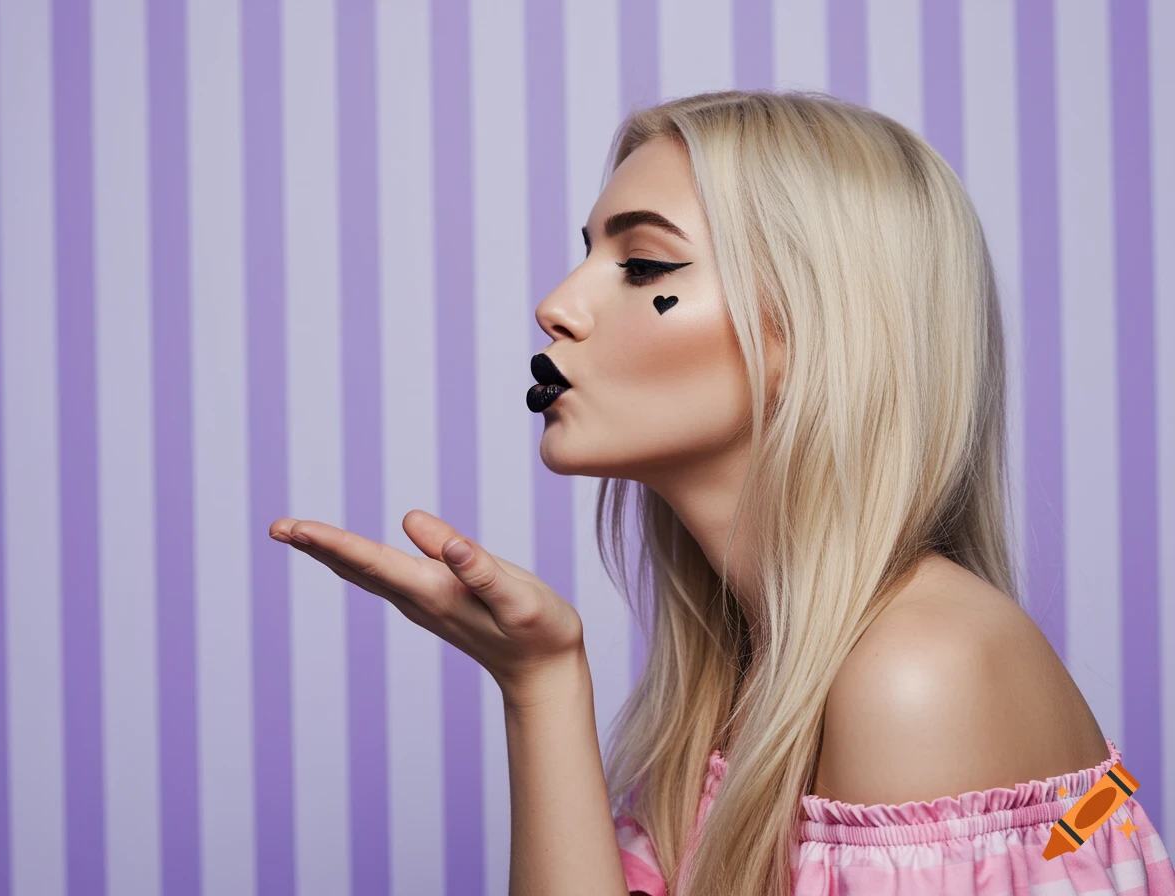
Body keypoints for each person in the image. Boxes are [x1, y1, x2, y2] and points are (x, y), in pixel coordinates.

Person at [269, 89, 1175, 895]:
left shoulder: (917, 673)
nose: (556, 305)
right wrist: (538, 682)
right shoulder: (751, 667)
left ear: (813, 334)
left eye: (645, 266)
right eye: (590, 253)